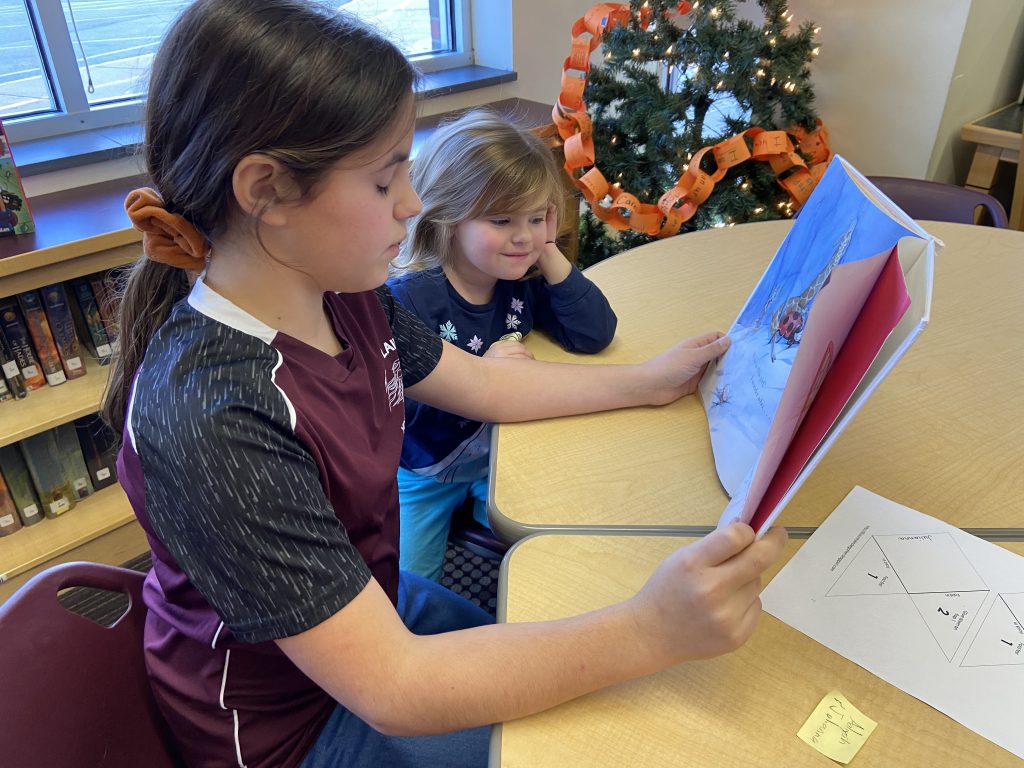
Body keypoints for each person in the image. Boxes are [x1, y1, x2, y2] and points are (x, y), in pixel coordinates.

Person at [105, 2, 788, 767]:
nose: (413, 203)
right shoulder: (214, 417)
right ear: (265, 189)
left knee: (597, 673)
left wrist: (648, 380)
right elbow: (396, 688)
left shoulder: (344, 295)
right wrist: (649, 630)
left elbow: (488, 388)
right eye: (384, 178)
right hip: (290, 727)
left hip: (371, 607)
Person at [388, 109, 618, 581]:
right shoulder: (410, 299)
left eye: (536, 218)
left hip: (500, 453)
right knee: (410, 584)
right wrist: (480, 374)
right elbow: (396, 413)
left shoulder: (521, 275)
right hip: (423, 471)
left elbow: (593, 335)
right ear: (448, 217)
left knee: (561, 537)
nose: (522, 237)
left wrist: (548, 250)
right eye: (501, 219)